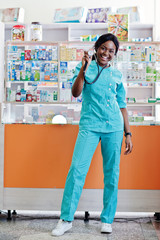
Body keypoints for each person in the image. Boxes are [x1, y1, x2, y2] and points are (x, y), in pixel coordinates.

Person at [52, 33, 133, 237]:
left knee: (112, 174)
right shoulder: (86, 69)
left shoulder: (116, 75)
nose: (106, 53)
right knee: (76, 170)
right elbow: (76, 92)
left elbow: (122, 106)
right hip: (89, 126)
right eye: (103, 48)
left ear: (115, 54)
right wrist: (83, 69)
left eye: (111, 51)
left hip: (114, 127)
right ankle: (66, 219)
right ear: (97, 48)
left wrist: (128, 133)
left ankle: (107, 219)